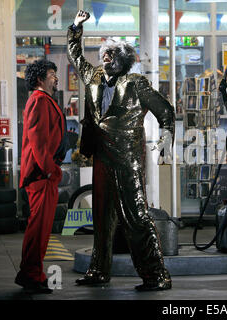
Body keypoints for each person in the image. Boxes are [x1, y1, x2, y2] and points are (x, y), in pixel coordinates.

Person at [67, 10, 174, 291]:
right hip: (101, 156)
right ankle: (98, 271)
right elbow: (76, 56)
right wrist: (76, 28)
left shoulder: (136, 83)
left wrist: (165, 140)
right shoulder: (93, 78)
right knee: (101, 216)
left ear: (123, 60)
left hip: (127, 159)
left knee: (136, 215)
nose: (106, 56)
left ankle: (156, 275)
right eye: (104, 52)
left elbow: (165, 110)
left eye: (112, 53)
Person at [15, 59, 67, 294]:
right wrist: (50, 170)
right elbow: (38, 142)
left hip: (44, 174)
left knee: (42, 229)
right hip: (41, 176)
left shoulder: (44, 100)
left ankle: (33, 273)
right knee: (38, 228)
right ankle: (31, 275)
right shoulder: (38, 100)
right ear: (40, 79)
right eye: (52, 74)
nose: (56, 78)